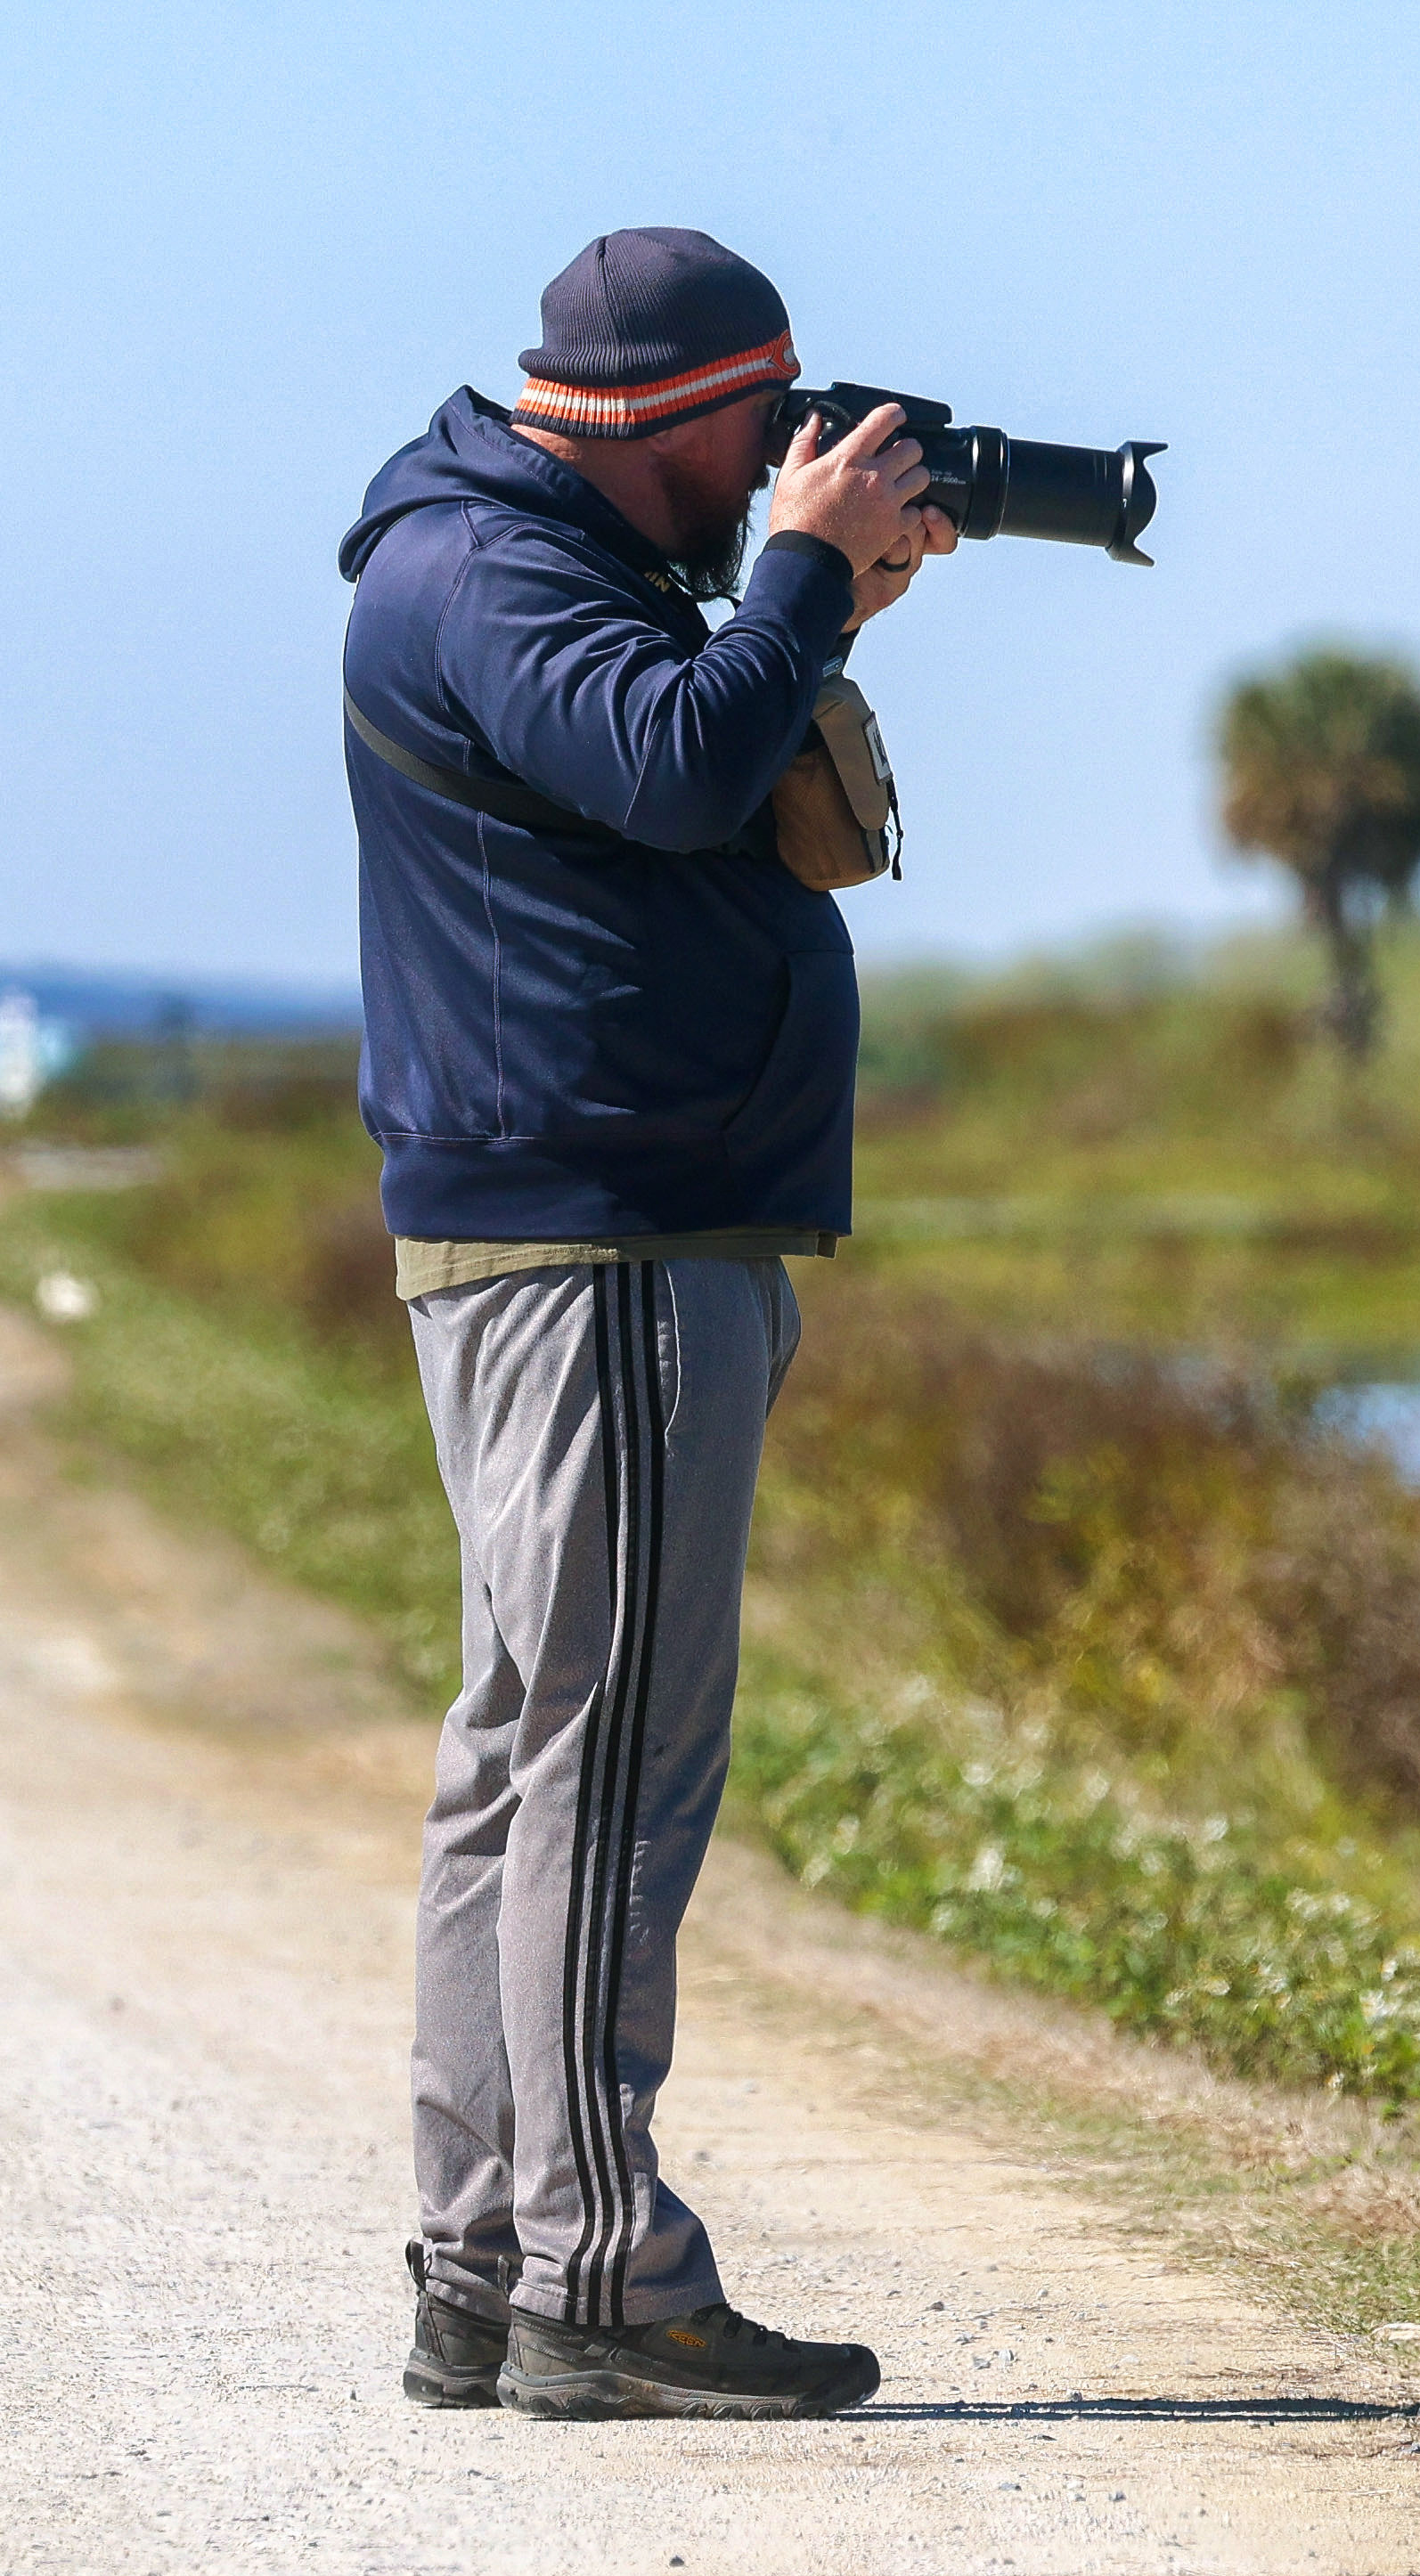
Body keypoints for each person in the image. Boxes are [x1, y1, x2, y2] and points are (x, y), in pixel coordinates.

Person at [335, 228, 954, 2421]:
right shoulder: (487, 574)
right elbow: (686, 768)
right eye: (766, 431)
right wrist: (792, 580)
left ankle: (484, 2256)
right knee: (601, 1766)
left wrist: (807, 607)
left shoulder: (509, 557)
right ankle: (596, 2277)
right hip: (603, 1245)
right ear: (680, 422)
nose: (789, 460)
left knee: (526, 1754)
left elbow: (666, 770)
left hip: (586, 1230)